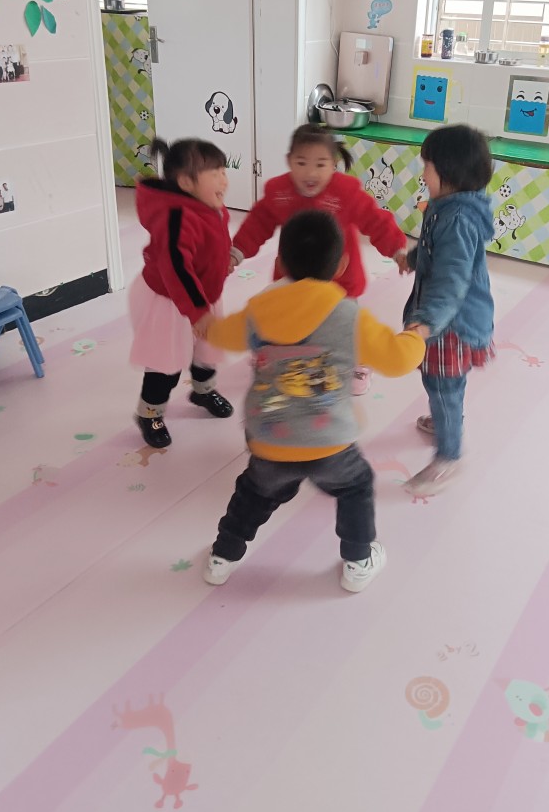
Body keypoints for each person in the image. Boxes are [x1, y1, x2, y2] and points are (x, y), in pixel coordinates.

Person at [200, 210, 426, 592]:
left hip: (270, 438)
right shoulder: (348, 315)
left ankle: (222, 557)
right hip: (329, 442)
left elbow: (222, 335)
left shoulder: (258, 311)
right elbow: (398, 359)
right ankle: (358, 562)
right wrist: (415, 336)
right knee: (356, 486)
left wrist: (206, 326)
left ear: (281, 263)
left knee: (254, 493)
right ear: (341, 265)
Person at [230, 123, 407, 395]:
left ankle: (356, 363)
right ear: (289, 161)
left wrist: (397, 250)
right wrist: (237, 251)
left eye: (320, 164)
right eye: (301, 163)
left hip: (339, 277)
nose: (310, 173)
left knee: (346, 323)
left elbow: (375, 220)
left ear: (333, 165)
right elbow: (258, 222)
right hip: (294, 275)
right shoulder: (280, 191)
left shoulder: (345, 192)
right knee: (290, 318)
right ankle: (280, 354)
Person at [399, 124, 496, 496]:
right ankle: (446, 422)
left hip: (450, 324)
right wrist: (413, 258)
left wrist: (425, 323)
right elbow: (436, 251)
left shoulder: (456, 219)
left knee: (443, 386)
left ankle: (449, 455)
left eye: (428, 165)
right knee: (444, 384)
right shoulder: (450, 206)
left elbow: (452, 282)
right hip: (446, 318)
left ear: (449, 172)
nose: (423, 173)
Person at [129, 136, 235, 449]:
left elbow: (212, 243)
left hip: (201, 295)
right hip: (170, 301)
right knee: (167, 362)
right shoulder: (176, 217)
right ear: (186, 182)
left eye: (224, 171)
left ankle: (203, 391)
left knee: (207, 350)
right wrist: (197, 312)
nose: (224, 180)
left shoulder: (212, 207)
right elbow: (176, 267)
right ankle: (149, 414)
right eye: (215, 173)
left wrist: (222, 261)